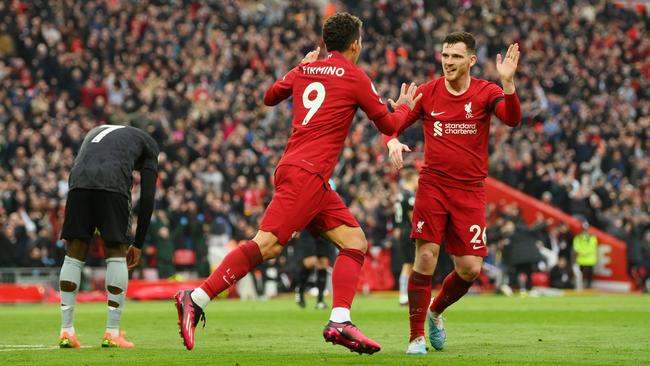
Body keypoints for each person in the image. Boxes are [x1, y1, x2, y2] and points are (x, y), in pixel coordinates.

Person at [174, 12, 422, 354]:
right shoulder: (355, 76)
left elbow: (270, 96)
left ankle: (339, 319)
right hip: (307, 173)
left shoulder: (305, 69)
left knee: (354, 242)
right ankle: (196, 297)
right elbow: (389, 122)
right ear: (355, 45)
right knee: (267, 245)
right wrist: (407, 108)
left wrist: (297, 68)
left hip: (303, 171)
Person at [384, 31, 521, 354]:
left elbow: (512, 119)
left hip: (470, 191)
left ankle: (434, 311)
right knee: (426, 256)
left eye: (456, 57)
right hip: (433, 186)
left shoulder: (487, 92)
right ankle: (415, 336)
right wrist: (391, 136)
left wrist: (509, 84)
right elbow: (394, 122)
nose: (448, 62)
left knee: (470, 269)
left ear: (471, 60)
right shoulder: (429, 92)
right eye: (445, 56)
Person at [58, 124, 159, 348]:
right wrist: (138, 243)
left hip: (77, 183)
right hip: (112, 183)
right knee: (115, 252)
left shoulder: (96, 130)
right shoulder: (150, 145)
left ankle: (66, 330)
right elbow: (148, 197)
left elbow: (79, 164)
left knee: (74, 253)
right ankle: (112, 332)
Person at [394, 169, 418, 305]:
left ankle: (406, 294)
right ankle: (404, 295)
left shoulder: (399, 195)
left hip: (401, 230)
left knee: (409, 263)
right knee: (409, 263)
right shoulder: (409, 196)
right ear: (412, 179)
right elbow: (412, 216)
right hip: (409, 230)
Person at [293, 232, 333, 310]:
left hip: (322, 231)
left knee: (323, 263)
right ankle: (300, 290)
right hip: (308, 231)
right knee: (310, 262)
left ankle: (320, 300)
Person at [572, 221, 598, 289]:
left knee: (589, 275)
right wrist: (583, 252)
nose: (585, 231)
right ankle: (581, 286)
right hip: (581, 260)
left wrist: (584, 252)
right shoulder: (578, 238)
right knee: (580, 275)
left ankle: (588, 286)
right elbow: (576, 247)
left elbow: (593, 247)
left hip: (590, 260)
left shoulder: (592, 238)